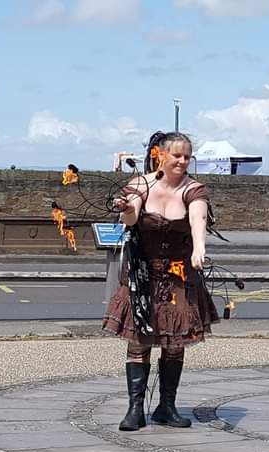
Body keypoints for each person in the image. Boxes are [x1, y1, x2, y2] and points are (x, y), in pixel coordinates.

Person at [103, 131, 219, 431]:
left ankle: (166, 407)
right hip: (143, 273)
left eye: (187, 156)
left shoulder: (194, 189)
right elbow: (131, 217)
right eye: (177, 155)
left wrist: (200, 249)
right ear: (160, 155)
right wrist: (127, 209)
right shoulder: (141, 184)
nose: (182, 161)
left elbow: (198, 220)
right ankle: (135, 409)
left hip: (180, 274)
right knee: (140, 340)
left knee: (174, 341)